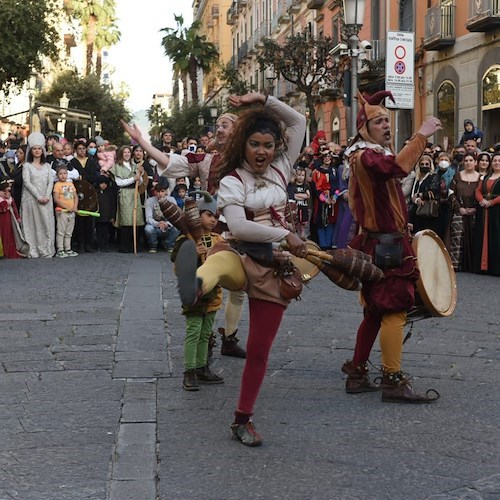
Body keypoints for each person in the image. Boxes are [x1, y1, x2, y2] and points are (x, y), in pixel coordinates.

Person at [174, 92, 306, 446]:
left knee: (259, 351)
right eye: (254, 144)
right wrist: (285, 233)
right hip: (240, 249)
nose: (261, 151)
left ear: (277, 146)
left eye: (267, 145)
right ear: (243, 146)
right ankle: (198, 281)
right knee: (220, 263)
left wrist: (262, 100)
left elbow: (299, 122)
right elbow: (241, 227)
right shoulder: (232, 180)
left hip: (274, 265)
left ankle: (241, 420)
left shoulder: (282, 167)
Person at [341, 90, 442, 403]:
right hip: (385, 247)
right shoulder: (368, 155)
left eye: (387, 120)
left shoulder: (368, 154)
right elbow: (397, 169)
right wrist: (421, 136)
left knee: (374, 312)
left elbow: (387, 195)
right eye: (379, 121)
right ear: (364, 129)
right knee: (395, 308)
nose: (386, 125)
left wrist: (401, 223)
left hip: (385, 240)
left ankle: (357, 373)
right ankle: (392, 380)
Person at [121, 109, 246, 357]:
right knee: (209, 287)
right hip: (212, 229)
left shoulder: (249, 158)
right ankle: (203, 345)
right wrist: (142, 141)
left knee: (238, 288)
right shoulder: (205, 159)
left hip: (240, 227)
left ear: (238, 130)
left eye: (225, 125)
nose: (219, 129)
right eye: (217, 125)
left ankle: (229, 338)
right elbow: (169, 162)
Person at [171, 193, 225, 391]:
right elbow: (177, 266)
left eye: (216, 216)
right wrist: (193, 253)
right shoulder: (185, 240)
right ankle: (189, 371)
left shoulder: (217, 239)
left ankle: (202, 368)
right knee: (193, 332)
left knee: (205, 333)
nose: (213, 220)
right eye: (209, 215)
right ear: (197, 216)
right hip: (193, 293)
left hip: (213, 295)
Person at [21, 132, 55, 258]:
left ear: (43, 150)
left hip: (46, 200)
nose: (37, 151)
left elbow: (50, 181)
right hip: (31, 200)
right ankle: (33, 249)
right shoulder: (27, 166)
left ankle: (46, 248)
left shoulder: (47, 166)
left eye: (39, 148)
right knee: (33, 224)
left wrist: (46, 195)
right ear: (31, 150)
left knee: (45, 224)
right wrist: (38, 196)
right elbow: (27, 182)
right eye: (34, 148)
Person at [448, 153, 480, 271]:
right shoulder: (457, 176)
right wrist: (459, 207)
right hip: (459, 211)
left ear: (475, 162)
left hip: (475, 212)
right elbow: (450, 193)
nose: (468, 162)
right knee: (457, 237)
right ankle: (455, 265)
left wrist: (476, 208)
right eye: (466, 160)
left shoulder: (480, 178)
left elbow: (483, 194)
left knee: (474, 236)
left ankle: (472, 265)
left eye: (471, 160)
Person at [110, 145, 145, 253]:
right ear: (121, 154)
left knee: (137, 218)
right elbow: (119, 182)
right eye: (124, 152)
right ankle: (125, 245)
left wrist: (140, 175)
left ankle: (135, 244)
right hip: (125, 193)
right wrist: (133, 178)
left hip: (134, 193)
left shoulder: (135, 165)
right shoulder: (117, 166)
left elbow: (141, 181)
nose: (127, 154)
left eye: (128, 152)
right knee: (126, 219)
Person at [473, 152, 500, 276]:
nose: (497, 163)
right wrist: (482, 200)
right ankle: (483, 266)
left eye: (499, 161)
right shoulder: (485, 176)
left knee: (496, 237)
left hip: (497, 212)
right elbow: (478, 190)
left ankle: (495, 267)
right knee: (482, 236)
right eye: (494, 161)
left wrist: (492, 202)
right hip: (484, 210)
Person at [409, 154, 442, 237]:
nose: (424, 166)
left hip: (429, 212)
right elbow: (412, 195)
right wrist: (417, 199)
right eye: (422, 164)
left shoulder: (434, 176)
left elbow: (433, 191)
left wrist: (420, 195)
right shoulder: (416, 178)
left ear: (430, 165)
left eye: (427, 164)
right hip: (416, 211)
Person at [144, 178, 179, 253]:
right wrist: (157, 224)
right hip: (155, 226)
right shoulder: (150, 201)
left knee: (178, 226)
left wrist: (167, 224)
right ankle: (153, 245)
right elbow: (148, 218)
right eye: (158, 191)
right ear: (155, 192)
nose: (160, 194)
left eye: (162, 191)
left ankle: (169, 244)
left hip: (168, 226)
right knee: (148, 229)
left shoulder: (172, 200)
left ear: (166, 191)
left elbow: (175, 217)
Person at [53, 165, 79, 258]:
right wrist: (66, 207)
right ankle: (60, 249)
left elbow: (75, 196)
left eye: (65, 173)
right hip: (62, 212)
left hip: (71, 212)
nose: (63, 176)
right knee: (61, 231)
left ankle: (68, 248)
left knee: (69, 232)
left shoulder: (71, 184)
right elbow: (56, 199)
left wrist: (75, 207)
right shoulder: (57, 185)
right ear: (57, 175)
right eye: (60, 174)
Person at [95, 174, 116, 252]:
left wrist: (112, 216)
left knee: (106, 232)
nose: (103, 185)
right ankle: (100, 245)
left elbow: (112, 205)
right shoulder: (96, 193)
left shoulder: (110, 194)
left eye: (105, 183)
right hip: (98, 216)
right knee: (99, 232)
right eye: (101, 183)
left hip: (107, 217)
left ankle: (106, 245)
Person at [0, 178, 20, 258]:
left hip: (8, 217)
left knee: (8, 233)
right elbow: (2, 207)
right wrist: (6, 201)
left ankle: (8, 251)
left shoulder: (10, 196)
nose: (10, 188)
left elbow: (14, 206)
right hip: (2, 218)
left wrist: (17, 216)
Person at [291, 166, 310, 240]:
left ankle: (303, 237)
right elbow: (293, 196)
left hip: (304, 207)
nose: (300, 177)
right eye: (299, 175)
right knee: (295, 224)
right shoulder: (293, 185)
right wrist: (302, 196)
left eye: (302, 175)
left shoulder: (306, 185)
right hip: (295, 208)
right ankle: (295, 238)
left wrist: (297, 195)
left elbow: (308, 196)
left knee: (303, 224)